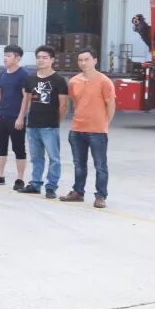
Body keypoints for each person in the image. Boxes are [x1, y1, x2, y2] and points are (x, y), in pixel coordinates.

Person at [60, 48, 115, 208]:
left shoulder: (104, 81)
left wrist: (105, 123)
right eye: (80, 60)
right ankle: (78, 192)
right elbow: (76, 102)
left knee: (100, 165)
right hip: (77, 129)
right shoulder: (74, 82)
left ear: (95, 60)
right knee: (79, 164)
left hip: (97, 131)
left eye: (87, 59)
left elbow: (111, 105)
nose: (83, 63)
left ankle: (101, 196)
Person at [20, 45, 69, 198]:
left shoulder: (59, 80)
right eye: (38, 57)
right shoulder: (30, 79)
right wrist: (21, 117)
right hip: (33, 125)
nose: (41, 60)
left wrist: (56, 122)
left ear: (52, 60)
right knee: (36, 158)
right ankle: (35, 184)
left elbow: (63, 105)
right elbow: (26, 100)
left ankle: (51, 186)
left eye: (44, 57)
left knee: (54, 158)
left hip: (50, 126)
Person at [0, 45, 29, 189]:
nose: (5, 58)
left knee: (19, 148)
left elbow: (26, 97)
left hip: (15, 117)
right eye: (4, 55)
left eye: (9, 56)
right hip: (1, 117)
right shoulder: (2, 74)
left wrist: (21, 117)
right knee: (1, 146)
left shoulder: (24, 75)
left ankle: (20, 179)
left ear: (17, 58)